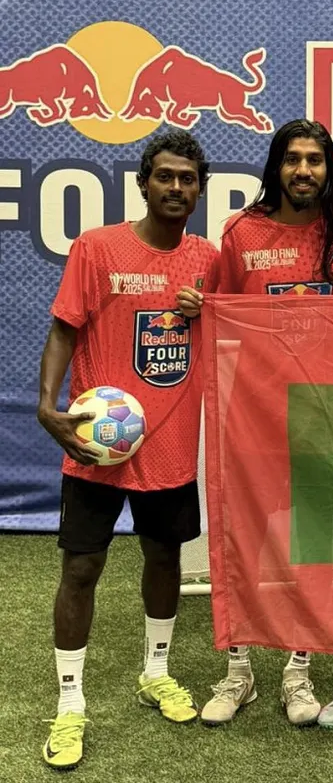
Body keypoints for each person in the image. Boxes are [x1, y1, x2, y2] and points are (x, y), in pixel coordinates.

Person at [178, 119, 333, 728]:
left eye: (315, 159)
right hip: (254, 409)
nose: (304, 170)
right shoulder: (242, 230)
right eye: (292, 159)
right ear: (276, 166)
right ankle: (238, 671)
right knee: (246, 535)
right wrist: (201, 306)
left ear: (330, 169)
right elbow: (222, 310)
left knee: (310, 539)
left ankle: (298, 670)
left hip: (329, 409)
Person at [37, 131, 217, 770]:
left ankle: (156, 672)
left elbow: (239, 329)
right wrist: (47, 405)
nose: (176, 187)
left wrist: (208, 311)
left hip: (170, 444)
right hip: (98, 443)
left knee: (164, 559)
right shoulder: (97, 247)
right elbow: (64, 329)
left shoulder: (209, 260)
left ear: (200, 190)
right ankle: (70, 704)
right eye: (165, 176)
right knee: (81, 568)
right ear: (144, 184)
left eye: (188, 178)